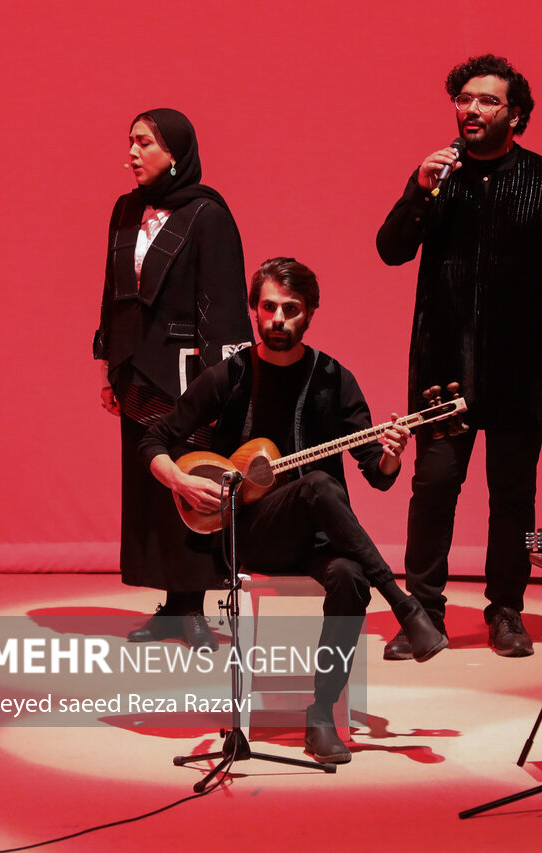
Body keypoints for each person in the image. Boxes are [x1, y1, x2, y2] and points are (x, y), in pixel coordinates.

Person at [140, 257, 448, 764]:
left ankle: (321, 714)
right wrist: (180, 479)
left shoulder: (334, 379)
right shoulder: (230, 375)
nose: (278, 318)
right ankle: (405, 605)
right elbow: (155, 438)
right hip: (250, 531)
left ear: (310, 315)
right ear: (253, 311)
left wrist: (392, 452)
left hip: (320, 542)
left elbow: (377, 472)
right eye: (268, 308)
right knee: (320, 484)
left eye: (291, 309)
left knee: (349, 577)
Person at [377, 53, 542, 658]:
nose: (472, 109)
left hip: (521, 365)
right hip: (444, 368)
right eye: (464, 99)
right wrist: (418, 192)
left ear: (516, 114)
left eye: (488, 101)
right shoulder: (436, 176)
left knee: (513, 492)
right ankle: (423, 611)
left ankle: (506, 609)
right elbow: (391, 249)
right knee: (434, 485)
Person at [94, 108, 252, 651]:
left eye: (144, 143)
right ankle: (172, 603)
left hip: (188, 375)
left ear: (176, 152)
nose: (131, 153)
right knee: (147, 487)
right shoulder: (124, 209)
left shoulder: (208, 214)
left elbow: (226, 302)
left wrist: (223, 381)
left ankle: (193, 608)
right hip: (136, 369)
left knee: (192, 482)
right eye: (130, 141)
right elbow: (112, 292)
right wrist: (108, 365)